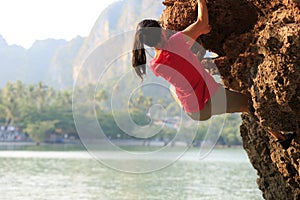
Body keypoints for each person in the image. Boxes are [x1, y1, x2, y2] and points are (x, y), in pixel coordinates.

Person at [131, 0, 295, 149]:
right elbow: (202, 22)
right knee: (249, 104)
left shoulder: (155, 65)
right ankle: (281, 138)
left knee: (173, 87)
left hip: (191, 109)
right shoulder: (176, 43)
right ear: (160, 32)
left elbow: (177, 61)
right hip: (207, 101)